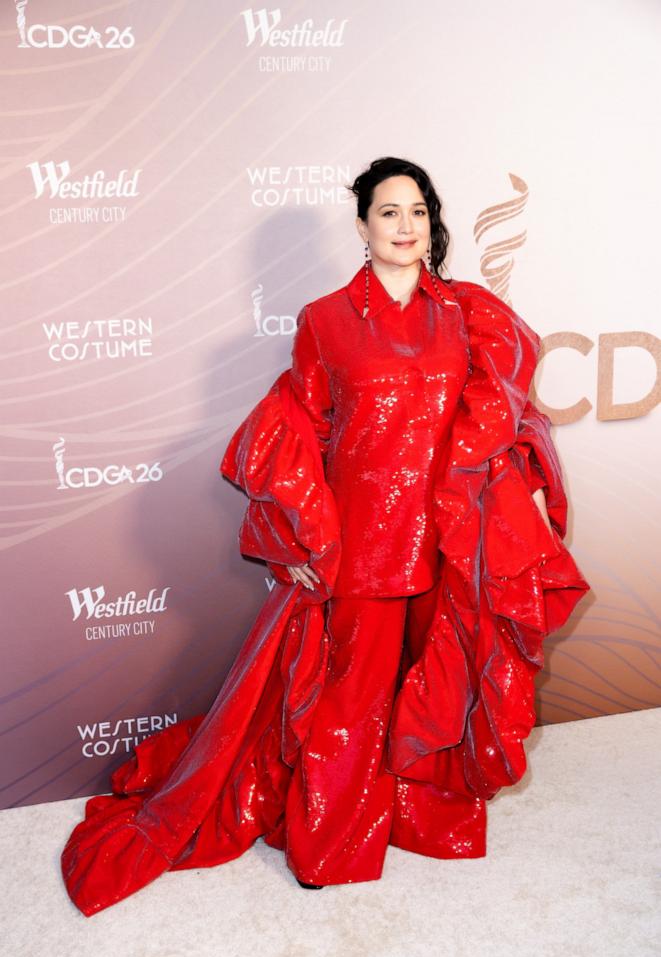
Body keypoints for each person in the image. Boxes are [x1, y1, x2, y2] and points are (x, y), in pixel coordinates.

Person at [60, 157, 590, 916]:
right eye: (387, 213)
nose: (404, 228)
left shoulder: (472, 316)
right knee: (348, 703)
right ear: (362, 225)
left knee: (432, 688)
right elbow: (294, 431)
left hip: (446, 542)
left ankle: (420, 817)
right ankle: (331, 843)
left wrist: (508, 523)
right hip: (362, 544)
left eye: (416, 213)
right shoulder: (325, 319)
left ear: (430, 224)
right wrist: (296, 537)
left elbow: (502, 427)